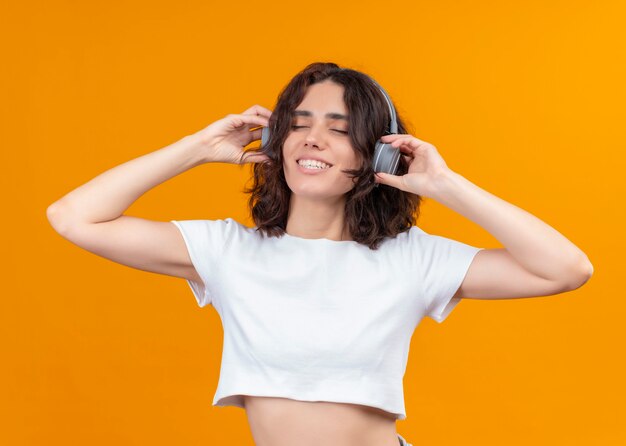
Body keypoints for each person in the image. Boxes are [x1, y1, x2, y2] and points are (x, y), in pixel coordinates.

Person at [47, 62, 594, 446]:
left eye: (339, 130)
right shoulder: (227, 251)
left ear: (377, 152)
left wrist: (446, 186)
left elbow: (566, 268)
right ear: (277, 141)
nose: (312, 139)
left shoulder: (412, 259)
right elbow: (73, 217)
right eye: (299, 125)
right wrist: (196, 150)